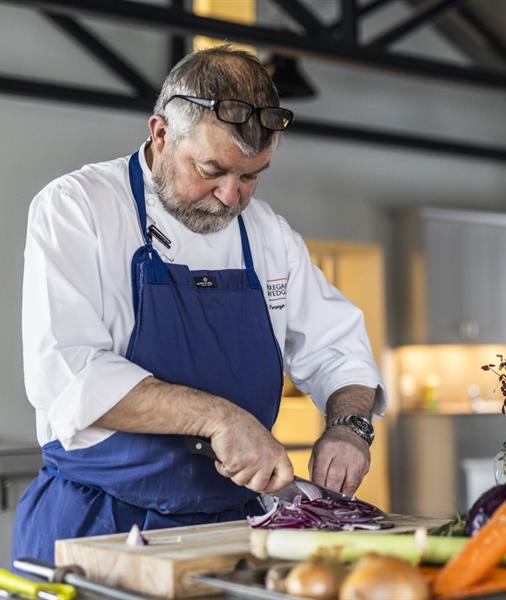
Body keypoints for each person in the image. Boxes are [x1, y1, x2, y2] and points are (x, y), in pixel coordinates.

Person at [12, 46, 385, 564]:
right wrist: (220, 419)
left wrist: (350, 428)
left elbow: (337, 349)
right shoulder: (78, 207)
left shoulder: (268, 235)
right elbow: (66, 371)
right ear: (161, 134)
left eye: (251, 176)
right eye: (211, 169)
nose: (232, 196)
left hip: (231, 529)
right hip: (98, 525)